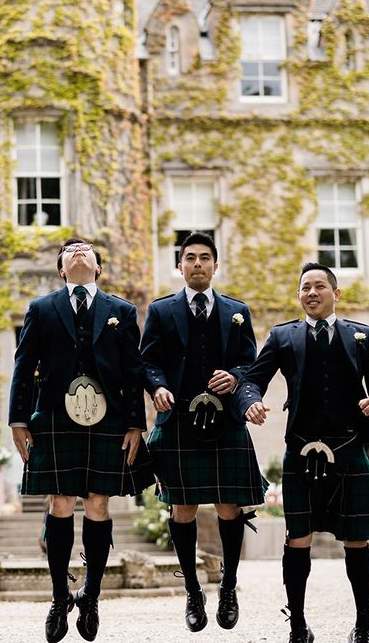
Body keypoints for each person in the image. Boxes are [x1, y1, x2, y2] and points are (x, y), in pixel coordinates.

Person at [237, 262, 369, 643]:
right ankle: (297, 627)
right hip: (302, 450)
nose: (311, 292)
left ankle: (363, 624)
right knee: (298, 538)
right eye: (305, 287)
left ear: (335, 293)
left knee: (357, 539)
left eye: (319, 286)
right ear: (298, 295)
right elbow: (252, 380)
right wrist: (250, 402)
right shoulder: (283, 336)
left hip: (348, 448)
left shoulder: (361, 334)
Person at [9, 238, 154, 643]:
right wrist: (18, 419)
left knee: (98, 503)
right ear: (60, 269)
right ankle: (59, 596)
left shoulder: (121, 311)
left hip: (107, 417)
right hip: (55, 414)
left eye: (86, 249)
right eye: (70, 250)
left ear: (97, 268)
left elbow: (132, 370)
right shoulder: (41, 308)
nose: (77, 251)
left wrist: (134, 425)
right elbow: (23, 365)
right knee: (58, 502)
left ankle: (90, 594)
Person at [140, 231, 266, 634]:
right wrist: (157, 385)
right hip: (178, 421)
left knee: (230, 507)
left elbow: (251, 362)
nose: (197, 263)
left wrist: (236, 375)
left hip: (225, 421)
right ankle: (193, 591)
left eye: (205, 257)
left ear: (215, 265)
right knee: (183, 509)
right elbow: (148, 361)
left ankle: (228, 586)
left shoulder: (236, 310)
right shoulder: (161, 311)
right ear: (180, 266)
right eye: (190, 257)